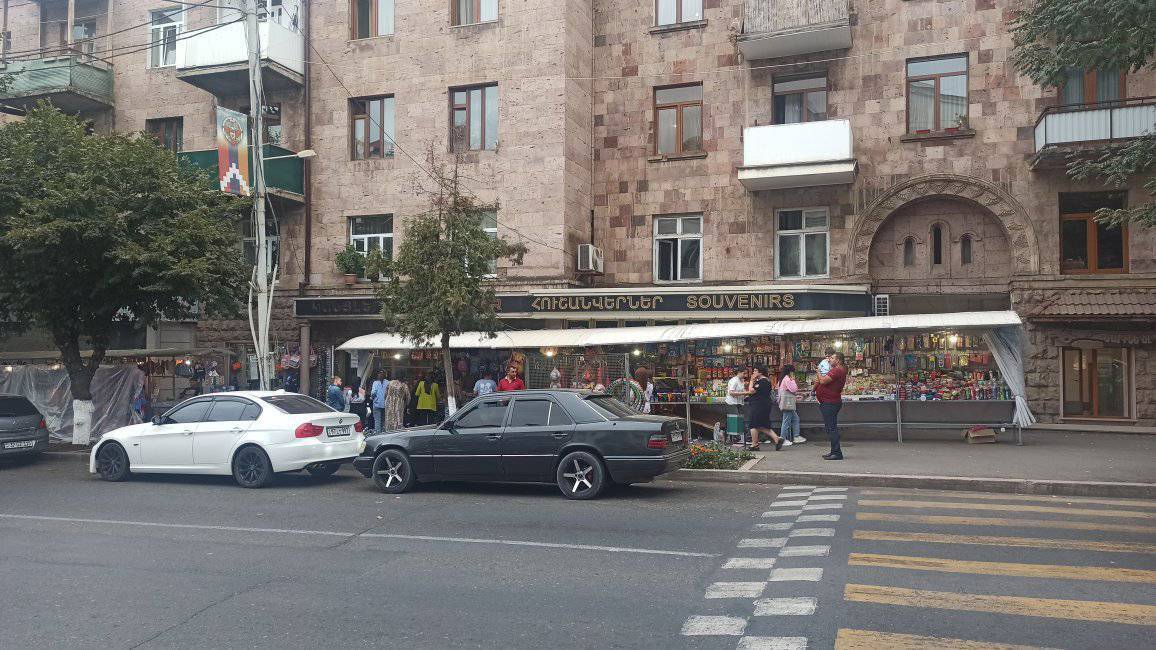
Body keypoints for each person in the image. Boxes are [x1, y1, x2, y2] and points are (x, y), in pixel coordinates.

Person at [745, 364, 784, 452]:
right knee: (762, 425)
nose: (753, 372)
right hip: (763, 405)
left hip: (758, 406)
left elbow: (751, 391)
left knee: (753, 424)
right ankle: (777, 439)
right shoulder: (766, 381)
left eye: (755, 370)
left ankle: (754, 444)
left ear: (760, 372)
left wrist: (751, 381)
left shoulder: (762, 382)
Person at [816, 352, 847, 460]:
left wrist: (818, 372)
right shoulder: (838, 370)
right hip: (830, 401)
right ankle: (834, 451)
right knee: (831, 427)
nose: (829, 360)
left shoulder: (837, 370)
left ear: (838, 360)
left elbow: (823, 381)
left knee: (831, 428)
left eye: (832, 358)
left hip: (830, 402)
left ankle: (837, 453)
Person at [778, 364, 805, 444]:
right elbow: (793, 389)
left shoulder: (783, 378)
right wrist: (793, 380)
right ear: (790, 372)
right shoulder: (787, 379)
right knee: (786, 420)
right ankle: (783, 439)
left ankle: (796, 436)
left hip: (786, 402)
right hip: (788, 403)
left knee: (795, 418)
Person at [725, 366, 751, 445]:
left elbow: (741, 391)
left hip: (739, 403)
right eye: (744, 373)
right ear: (739, 372)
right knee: (735, 420)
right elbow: (731, 392)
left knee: (739, 419)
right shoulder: (734, 380)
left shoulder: (741, 380)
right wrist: (745, 393)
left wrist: (746, 395)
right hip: (731, 403)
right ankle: (732, 438)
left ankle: (736, 438)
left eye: (746, 373)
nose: (745, 375)